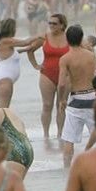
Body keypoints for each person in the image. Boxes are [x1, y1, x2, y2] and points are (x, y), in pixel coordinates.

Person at [21, 13, 71, 141]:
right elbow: (30, 50)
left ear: (62, 25)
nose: (51, 26)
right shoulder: (45, 37)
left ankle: (60, 134)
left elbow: (82, 50)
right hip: (47, 74)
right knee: (47, 105)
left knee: (61, 105)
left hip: (65, 75)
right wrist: (35, 65)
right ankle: (46, 135)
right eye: (49, 23)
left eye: (54, 23)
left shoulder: (69, 37)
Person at [60, 25, 96, 168]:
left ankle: (66, 168)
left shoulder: (65, 58)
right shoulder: (91, 55)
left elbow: (62, 84)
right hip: (92, 97)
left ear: (67, 39)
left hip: (76, 100)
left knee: (69, 139)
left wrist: (62, 99)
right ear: (81, 37)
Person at [0, 19, 35, 108]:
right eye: (14, 28)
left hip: (2, 78)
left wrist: (24, 50)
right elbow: (26, 42)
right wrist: (42, 35)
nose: (16, 30)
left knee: (2, 110)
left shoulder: (1, 41)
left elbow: (8, 56)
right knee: (3, 111)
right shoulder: (6, 41)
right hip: (4, 80)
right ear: (11, 29)